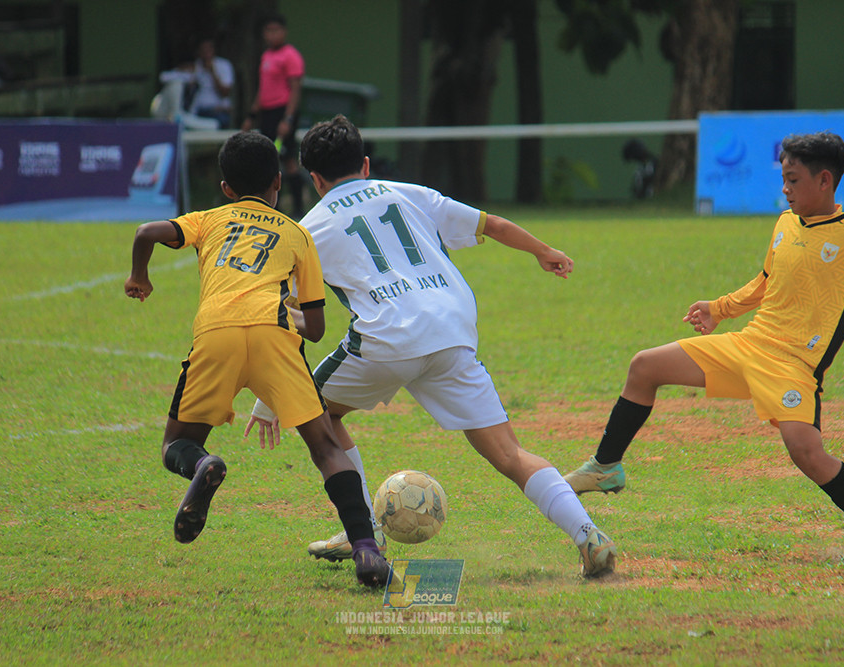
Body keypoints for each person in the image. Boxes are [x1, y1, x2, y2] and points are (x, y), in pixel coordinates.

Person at [245, 114, 617, 579]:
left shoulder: (308, 231)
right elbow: (494, 224)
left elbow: (286, 316)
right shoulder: (410, 193)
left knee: (321, 415)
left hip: (385, 339)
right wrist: (544, 251)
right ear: (364, 164)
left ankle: (364, 531)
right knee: (508, 454)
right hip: (452, 331)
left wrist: (269, 397)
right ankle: (588, 535)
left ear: (314, 179)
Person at [565, 131, 844, 562]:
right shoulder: (786, 222)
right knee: (645, 367)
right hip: (747, 345)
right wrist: (719, 308)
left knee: (807, 453)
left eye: (793, 180)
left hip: (793, 366)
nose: (784, 189)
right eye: (783, 178)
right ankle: (606, 466)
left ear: (825, 181)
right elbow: (766, 282)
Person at [123, 130, 389, 588]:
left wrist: (139, 276)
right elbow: (318, 328)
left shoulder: (209, 218)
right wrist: (286, 321)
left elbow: (146, 232)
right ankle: (367, 550)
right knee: (326, 448)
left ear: (226, 188)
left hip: (216, 334)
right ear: (278, 182)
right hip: (275, 338)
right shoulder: (297, 234)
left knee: (176, 445)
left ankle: (202, 465)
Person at [241, 14, 305, 217]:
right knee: (270, 158)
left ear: (284, 32)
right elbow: (263, 89)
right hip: (267, 114)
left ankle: (297, 207)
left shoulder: (290, 55)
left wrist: (288, 118)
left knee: (287, 159)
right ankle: (273, 208)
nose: (271, 35)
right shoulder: (266, 56)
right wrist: (252, 114)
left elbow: (295, 89)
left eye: (275, 30)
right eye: (268, 31)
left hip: (282, 111)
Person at [188, 37, 235, 129]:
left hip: (218, 112)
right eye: (203, 50)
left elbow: (225, 93)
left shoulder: (223, 65)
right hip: (199, 111)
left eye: (209, 49)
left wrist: (212, 72)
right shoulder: (196, 66)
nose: (206, 53)